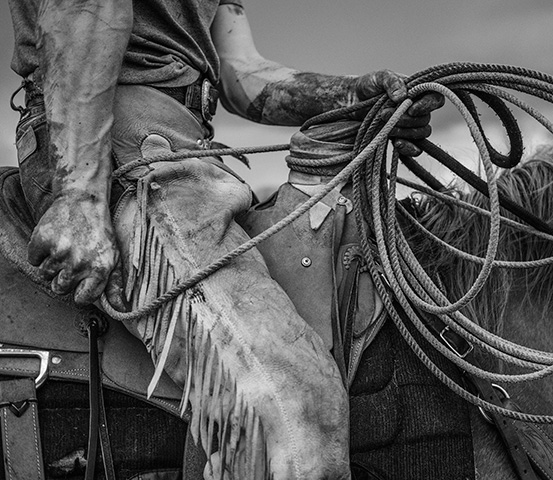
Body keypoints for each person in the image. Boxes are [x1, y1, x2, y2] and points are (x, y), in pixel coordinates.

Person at [8, 0, 443, 478]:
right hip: (115, 150)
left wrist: (349, 95)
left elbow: (239, 72)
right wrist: (78, 193)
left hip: (190, 153)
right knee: (295, 410)